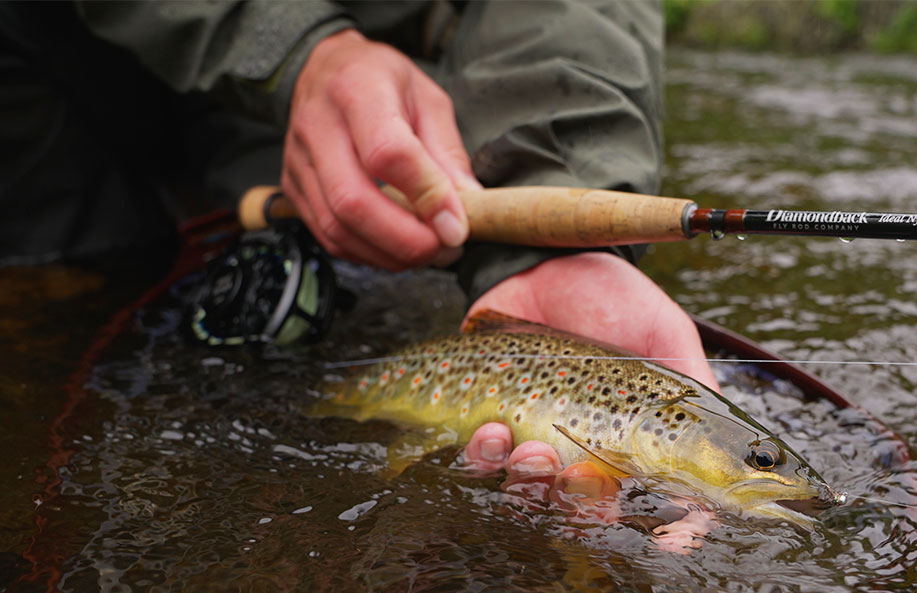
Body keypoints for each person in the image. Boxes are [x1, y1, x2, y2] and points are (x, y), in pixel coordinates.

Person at [1, 0, 719, 548]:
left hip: (384, 99)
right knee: (62, 298)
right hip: (57, 57)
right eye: (757, 455)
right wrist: (296, 49)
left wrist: (551, 218)